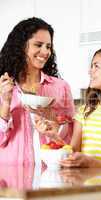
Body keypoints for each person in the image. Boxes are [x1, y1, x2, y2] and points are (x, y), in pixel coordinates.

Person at [35, 47, 101, 168]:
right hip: (84, 185)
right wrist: (54, 136)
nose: (90, 71)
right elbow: (73, 153)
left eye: (96, 66)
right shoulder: (84, 112)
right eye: (91, 66)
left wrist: (90, 162)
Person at [0, 17, 74, 165]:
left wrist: (53, 119)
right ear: (21, 46)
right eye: (38, 45)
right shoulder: (3, 87)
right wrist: (6, 103)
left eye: (48, 46)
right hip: (10, 173)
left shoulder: (61, 87)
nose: (45, 52)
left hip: (50, 170)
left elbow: (71, 137)